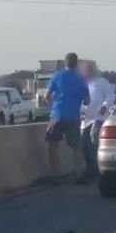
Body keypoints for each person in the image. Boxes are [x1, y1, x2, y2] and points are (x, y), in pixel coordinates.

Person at [45, 53, 90, 182]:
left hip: (57, 115)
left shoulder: (57, 76)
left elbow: (46, 96)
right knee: (76, 147)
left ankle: (56, 175)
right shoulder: (81, 79)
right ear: (77, 64)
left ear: (65, 63)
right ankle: (78, 175)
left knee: (53, 146)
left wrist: (52, 107)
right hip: (73, 117)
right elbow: (87, 101)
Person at [80, 61, 116, 179]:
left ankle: (97, 169)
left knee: (93, 142)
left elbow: (111, 96)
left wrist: (105, 106)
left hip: (99, 118)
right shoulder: (82, 84)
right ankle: (90, 168)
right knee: (84, 144)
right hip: (85, 120)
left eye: (87, 70)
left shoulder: (102, 82)